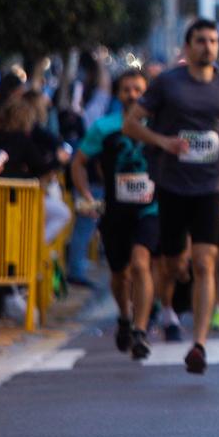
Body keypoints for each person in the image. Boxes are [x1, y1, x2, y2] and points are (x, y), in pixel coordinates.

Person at [124, 19, 219, 374]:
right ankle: (161, 310)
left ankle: (199, 344)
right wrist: (164, 143)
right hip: (172, 184)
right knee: (175, 264)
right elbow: (131, 124)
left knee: (206, 262)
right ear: (188, 46)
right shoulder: (167, 83)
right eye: (200, 40)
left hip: (210, 186)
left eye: (212, 40)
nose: (207, 46)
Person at [71, 72, 158, 357]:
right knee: (120, 274)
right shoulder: (104, 127)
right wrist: (86, 195)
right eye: (126, 90)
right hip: (114, 211)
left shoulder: (158, 126)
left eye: (138, 90)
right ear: (118, 94)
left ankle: (141, 330)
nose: (132, 95)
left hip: (149, 209)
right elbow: (79, 162)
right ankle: (124, 316)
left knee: (141, 263)